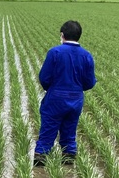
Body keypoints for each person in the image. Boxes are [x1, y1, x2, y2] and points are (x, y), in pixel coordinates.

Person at [33, 20, 96, 166]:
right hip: (76, 100)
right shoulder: (86, 55)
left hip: (56, 98)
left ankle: (40, 168)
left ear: (62, 35)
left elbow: (44, 78)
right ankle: (68, 168)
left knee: (48, 131)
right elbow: (90, 82)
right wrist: (76, 88)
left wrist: (53, 88)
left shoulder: (55, 52)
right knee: (69, 131)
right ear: (78, 36)